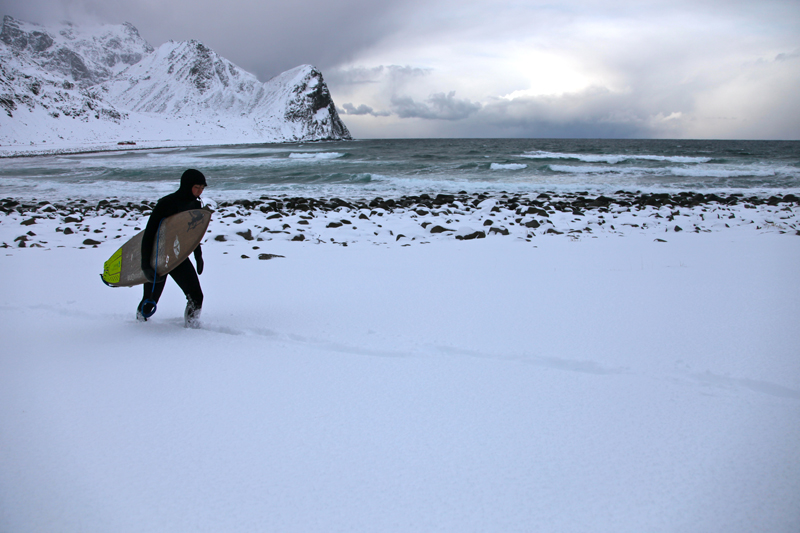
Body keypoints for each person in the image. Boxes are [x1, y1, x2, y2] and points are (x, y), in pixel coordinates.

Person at [137, 169, 207, 327]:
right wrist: (145, 266)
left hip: (178, 257)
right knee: (150, 300)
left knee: (196, 296)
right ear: (187, 185)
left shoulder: (195, 205)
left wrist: (198, 256)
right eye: (197, 187)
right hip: (158, 257)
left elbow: (192, 235)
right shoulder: (166, 203)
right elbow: (148, 235)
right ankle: (139, 326)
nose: (200, 191)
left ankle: (192, 326)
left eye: (202, 188)